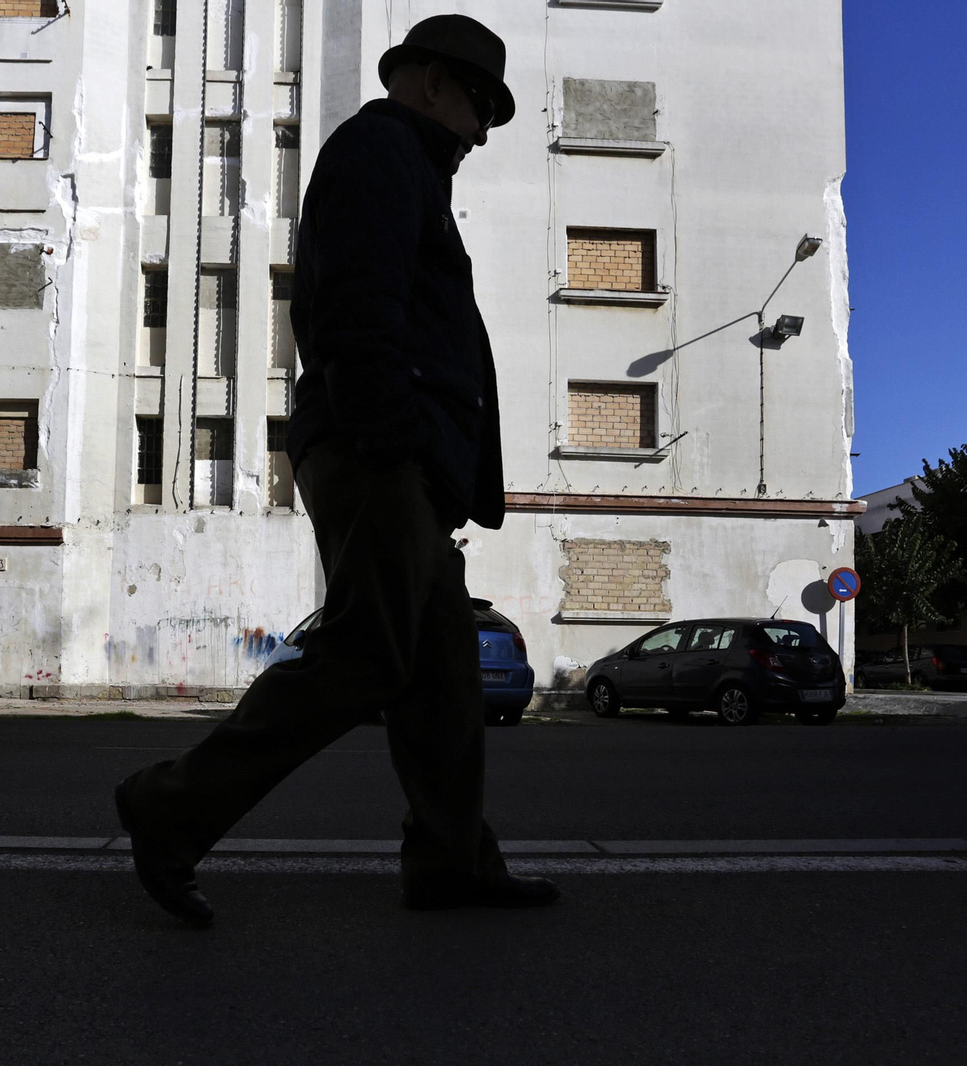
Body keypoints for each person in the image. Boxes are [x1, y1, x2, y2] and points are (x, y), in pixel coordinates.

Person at [114, 13, 559, 925]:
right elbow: (359, 306)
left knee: (441, 674)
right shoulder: (380, 151)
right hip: (372, 449)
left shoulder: (409, 169)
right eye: (479, 103)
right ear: (429, 80)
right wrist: (396, 438)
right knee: (364, 655)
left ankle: (450, 860)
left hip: (394, 454)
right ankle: (170, 804)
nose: (482, 130)